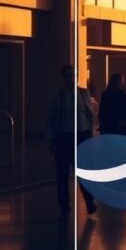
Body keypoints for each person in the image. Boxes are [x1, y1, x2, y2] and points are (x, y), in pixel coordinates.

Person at [47, 65, 98, 218]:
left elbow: (90, 115)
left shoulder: (83, 93)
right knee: (62, 173)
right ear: (63, 78)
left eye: (74, 75)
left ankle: (89, 201)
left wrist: (92, 132)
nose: (72, 79)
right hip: (64, 136)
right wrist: (51, 139)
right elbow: (50, 119)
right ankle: (64, 206)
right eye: (69, 76)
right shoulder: (57, 96)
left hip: (82, 135)